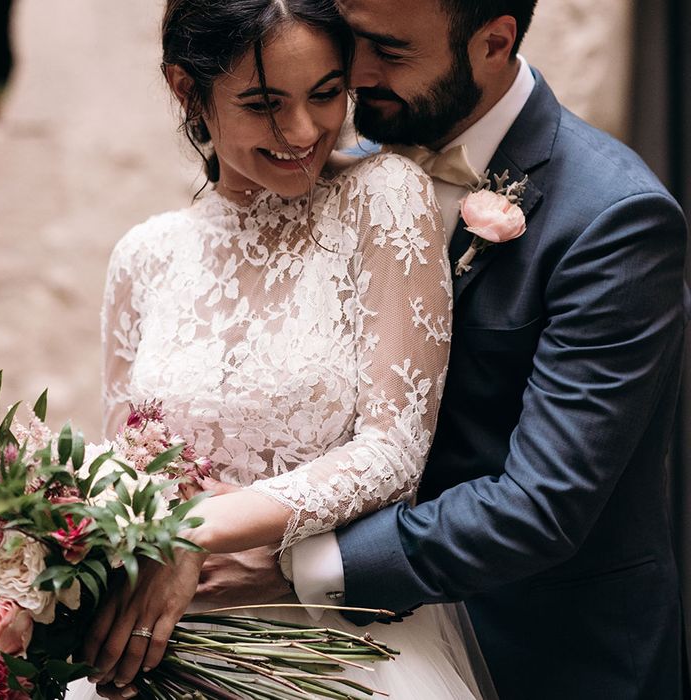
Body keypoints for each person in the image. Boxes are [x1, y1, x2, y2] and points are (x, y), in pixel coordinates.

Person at [227, 1, 686, 698]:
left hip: (542, 654)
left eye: (390, 51)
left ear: (493, 42)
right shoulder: (331, 169)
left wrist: (294, 568)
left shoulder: (613, 220)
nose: (355, 71)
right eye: (352, 40)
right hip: (323, 657)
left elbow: (543, 501)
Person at [67, 0, 498, 698]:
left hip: (329, 649)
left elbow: (391, 452)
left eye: (326, 94)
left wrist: (189, 532)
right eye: (265, 103)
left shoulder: (385, 200)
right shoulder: (144, 256)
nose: (303, 131)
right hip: (166, 646)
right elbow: (127, 459)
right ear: (188, 91)